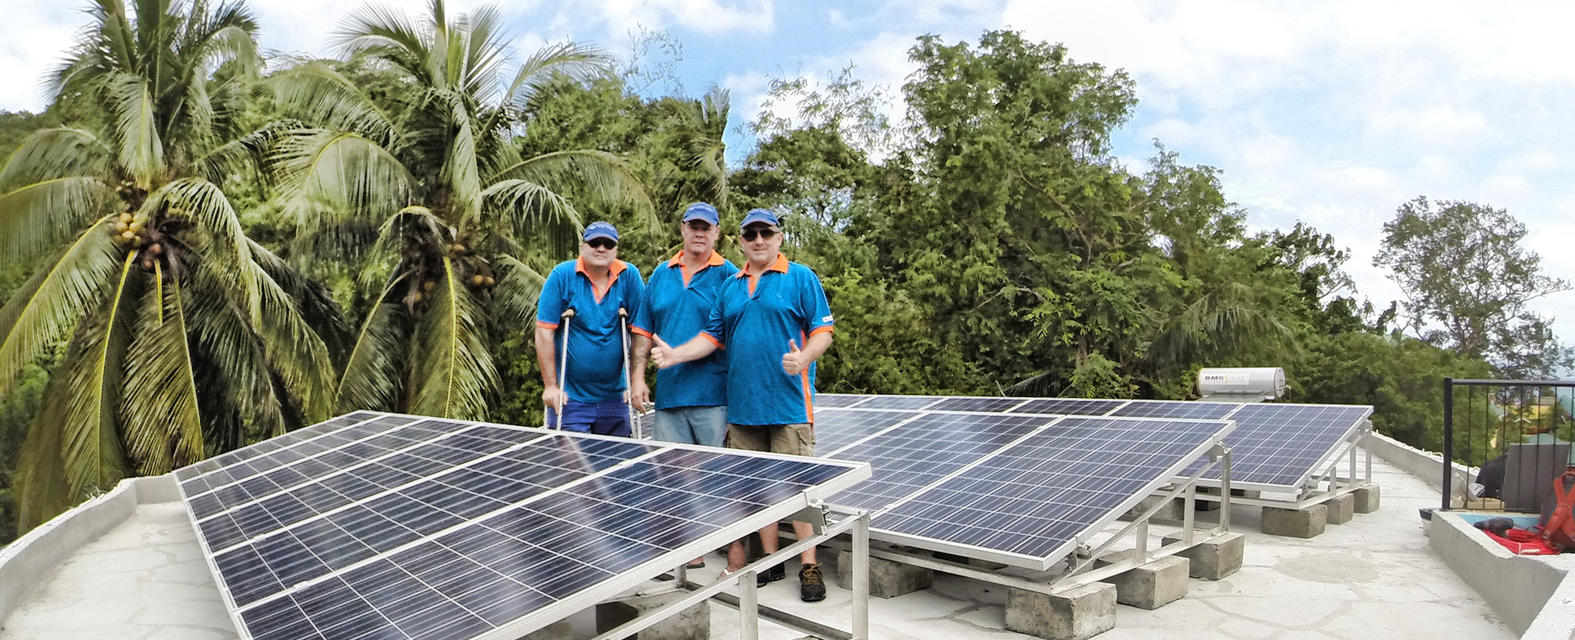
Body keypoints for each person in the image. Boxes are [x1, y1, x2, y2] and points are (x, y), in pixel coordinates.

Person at [650, 208, 834, 602]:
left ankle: (809, 566)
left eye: (766, 233)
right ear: (741, 241)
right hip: (743, 408)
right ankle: (769, 559)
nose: (759, 240)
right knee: (751, 490)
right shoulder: (730, 286)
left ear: (779, 237)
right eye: (750, 234)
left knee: (798, 490)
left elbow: (823, 331)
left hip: (789, 407)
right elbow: (712, 337)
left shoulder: (800, 277)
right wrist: (675, 356)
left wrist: (803, 358)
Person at [535, 221, 645, 436]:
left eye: (608, 244)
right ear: (582, 247)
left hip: (615, 397)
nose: (601, 248)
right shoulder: (562, 275)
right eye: (595, 243)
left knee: (618, 466)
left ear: (616, 250)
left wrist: (635, 380)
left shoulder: (628, 276)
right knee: (573, 466)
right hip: (571, 398)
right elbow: (544, 332)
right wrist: (550, 386)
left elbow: (640, 331)